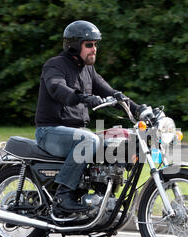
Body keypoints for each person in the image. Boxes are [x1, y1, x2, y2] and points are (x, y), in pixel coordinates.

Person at [35, 20, 148, 213]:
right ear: (74, 45)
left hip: (76, 132)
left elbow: (111, 92)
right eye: (89, 45)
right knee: (89, 139)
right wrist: (83, 97)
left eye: (96, 44)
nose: (94, 49)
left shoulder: (88, 70)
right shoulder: (55, 65)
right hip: (50, 131)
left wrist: (139, 111)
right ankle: (62, 196)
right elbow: (57, 88)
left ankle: (102, 197)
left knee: (119, 145)